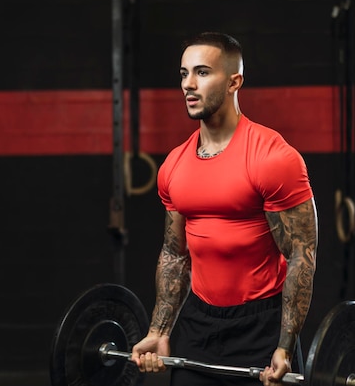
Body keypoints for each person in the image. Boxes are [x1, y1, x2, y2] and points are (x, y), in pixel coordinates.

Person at [131, 32, 318, 386]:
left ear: (234, 81)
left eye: (202, 73)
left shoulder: (273, 158)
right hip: (198, 323)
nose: (188, 84)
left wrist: (285, 346)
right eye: (184, 74)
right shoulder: (174, 165)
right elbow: (174, 253)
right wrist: (159, 328)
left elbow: (301, 255)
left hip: (261, 325)